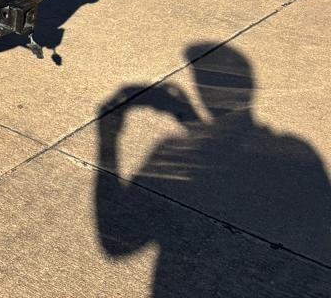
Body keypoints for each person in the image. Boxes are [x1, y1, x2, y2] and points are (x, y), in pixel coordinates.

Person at [94, 44, 331, 295]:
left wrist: (107, 136)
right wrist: (193, 123)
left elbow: (117, 243)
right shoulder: (296, 152)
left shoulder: (173, 149)